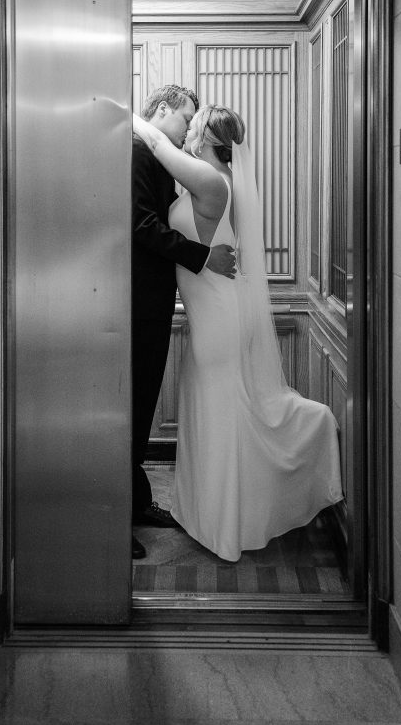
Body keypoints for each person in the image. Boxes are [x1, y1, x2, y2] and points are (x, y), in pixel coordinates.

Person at [132, 104, 344, 562]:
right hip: (215, 314)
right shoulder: (211, 178)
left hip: (219, 321)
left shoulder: (210, 180)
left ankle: (225, 525)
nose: (186, 128)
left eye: (193, 122)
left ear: (208, 135)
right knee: (213, 413)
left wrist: (124, 111)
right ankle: (209, 514)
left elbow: (153, 141)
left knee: (221, 414)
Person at [132, 86, 236, 560]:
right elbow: (141, 227)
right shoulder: (137, 151)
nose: (186, 128)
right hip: (136, 301)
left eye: (196, 121)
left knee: (141, 407)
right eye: (184, 117)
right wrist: (202, 257)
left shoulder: (164, 157)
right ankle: (118, 515)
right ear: (161, 111)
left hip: (159, 302)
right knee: (130, 411)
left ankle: (136, 503)